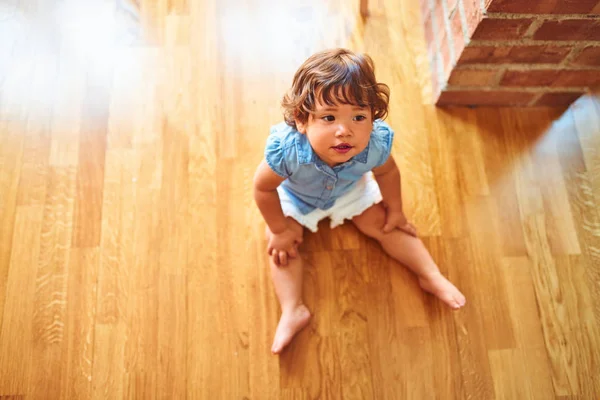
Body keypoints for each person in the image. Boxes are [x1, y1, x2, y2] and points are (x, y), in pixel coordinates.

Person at [253, 48, 466, 355]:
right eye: (328, 117)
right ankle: (292, 309)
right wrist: (279, 228)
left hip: (348, 191)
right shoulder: (287, 150)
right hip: (296, 196)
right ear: (302, 120)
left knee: (385, 225)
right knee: (280, 247)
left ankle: (430, 275)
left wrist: (396, 210)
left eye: (358, 116)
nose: (345, 130)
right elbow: (263, 190)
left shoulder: (375, 144)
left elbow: (389, 173)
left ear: (373, 116)